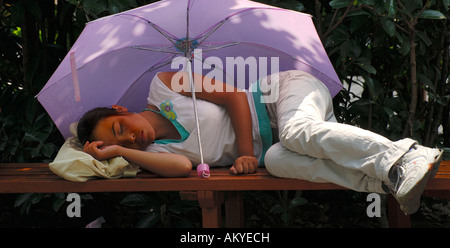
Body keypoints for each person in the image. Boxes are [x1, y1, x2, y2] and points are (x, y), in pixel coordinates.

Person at [79, 70, 442, 215]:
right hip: (282, 143)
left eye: (118, 127)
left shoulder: (164, 84)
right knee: (281, 161)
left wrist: (246, 153)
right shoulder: (152, 153)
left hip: (280, 94)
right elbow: (183, 168)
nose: (129, 136)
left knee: (293, 133)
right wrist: (122, 152)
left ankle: (407, 154)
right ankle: (388, 180)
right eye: (121, 141)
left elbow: (236, 97)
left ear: (119, 108)